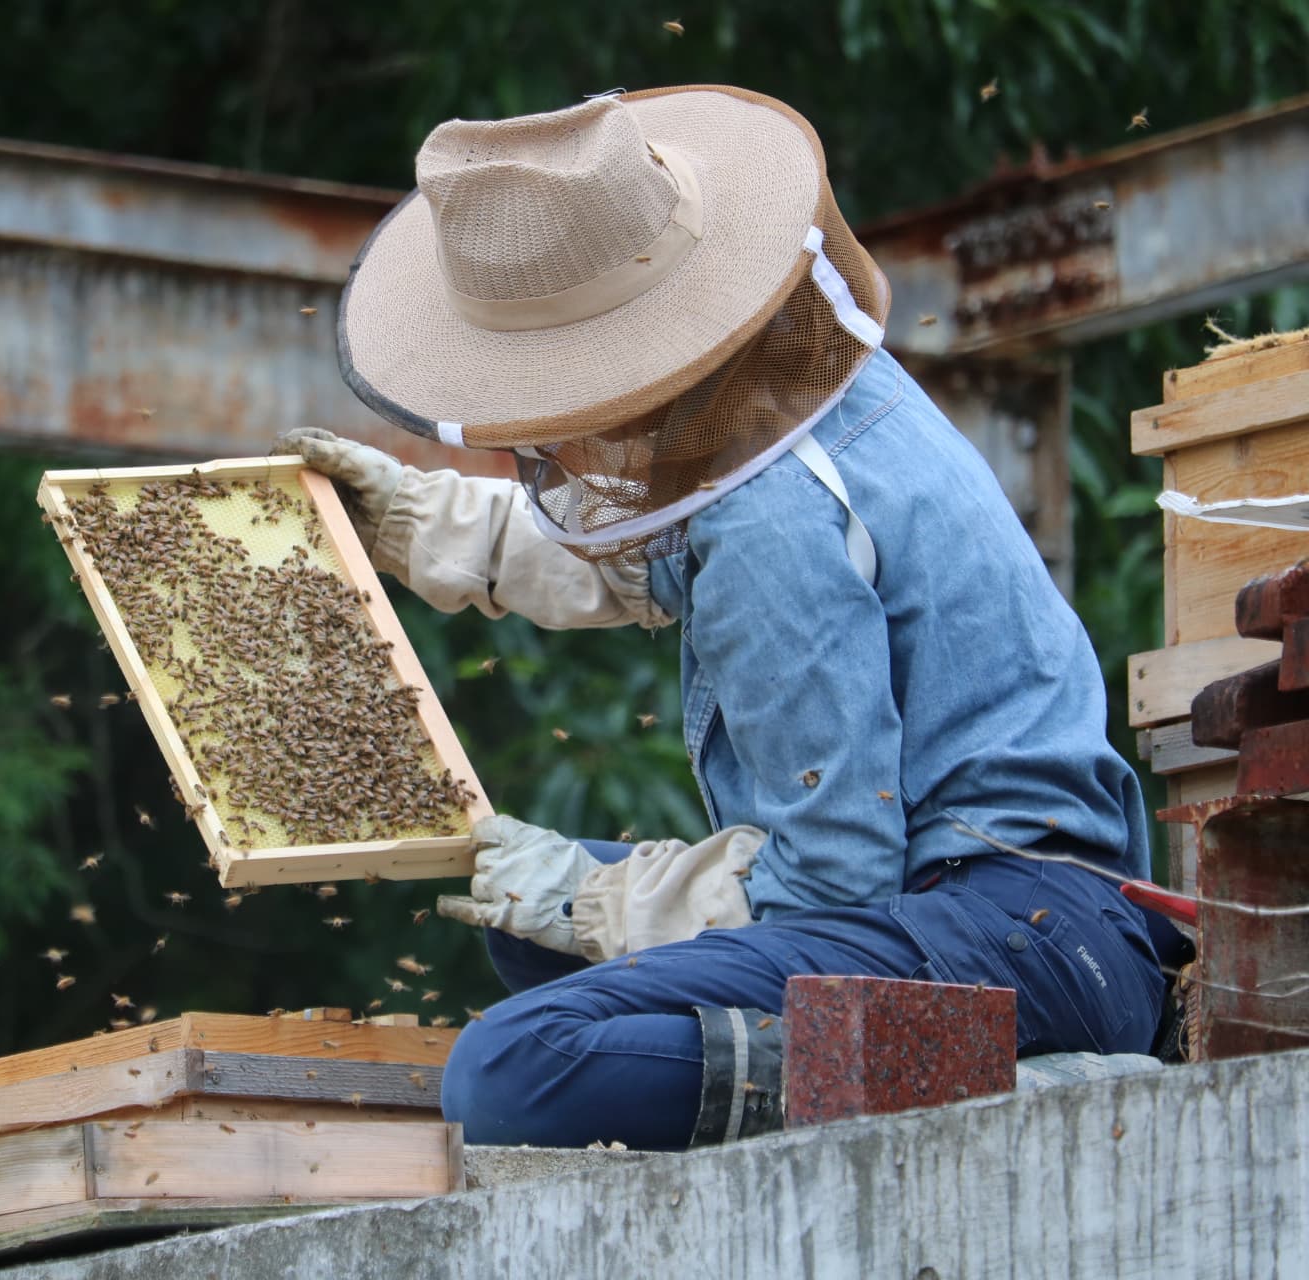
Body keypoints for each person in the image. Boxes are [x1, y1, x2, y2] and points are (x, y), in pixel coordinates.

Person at [275, 85, 1185, 1151]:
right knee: (536, 942)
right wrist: (417, 519)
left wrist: (599, 895)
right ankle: (911, 1057)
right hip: (1047, 928)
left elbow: (834, 873)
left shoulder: (771, 516)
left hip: (1004, 939)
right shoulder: (797, 387)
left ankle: (940, 1079)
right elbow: (651, 554)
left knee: (509, 1070)